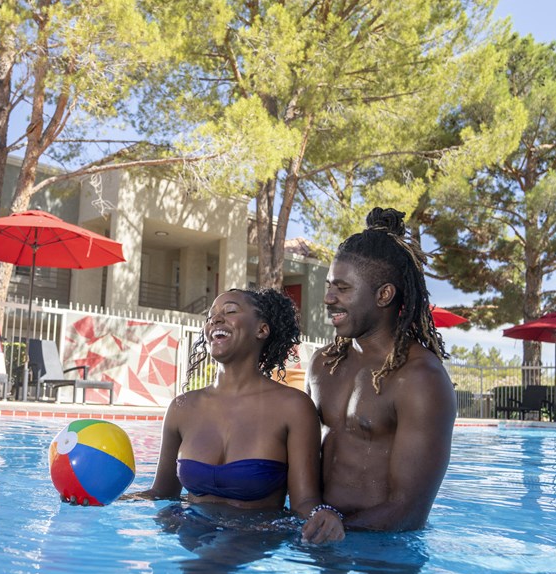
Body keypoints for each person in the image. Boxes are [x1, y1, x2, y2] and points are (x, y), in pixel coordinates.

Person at [128, 287, 344, 544]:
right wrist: (101, 498)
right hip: (187, 527)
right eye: (210, 317)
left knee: (205, 570)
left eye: (229, 311)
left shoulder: (292, 407)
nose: (215, 320)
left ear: (261, 330)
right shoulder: (182, 408)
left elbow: (304, 502)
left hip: (253, 534)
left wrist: (324, 516)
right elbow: (162, 493)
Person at [303, 206, 455, 540]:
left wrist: (342, 529)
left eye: (342, 288)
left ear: (384, 294)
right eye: (329, 286)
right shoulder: (322, 364)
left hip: (387, 547)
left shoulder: (420, 379)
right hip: (322, 534)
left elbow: (410, 508)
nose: (328, 298)